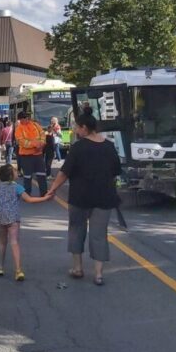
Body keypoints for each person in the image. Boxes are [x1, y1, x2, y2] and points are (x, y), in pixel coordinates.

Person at [46, 111, 121, 285]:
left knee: (76, 229)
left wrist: (53, 189)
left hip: (80, 197)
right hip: (104, 197)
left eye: (76, 127)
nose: (75, 130)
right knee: (99, 234)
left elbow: (64, 172)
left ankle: (78, 268)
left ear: (84, 128)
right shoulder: (109, 146)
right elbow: (116, 171)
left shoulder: (78, 148)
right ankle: (98, 274)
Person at [0, 164, 51, 281]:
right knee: (14, 242)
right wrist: (44, 198)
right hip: (13, 219)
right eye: (15, 171)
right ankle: (18, 270)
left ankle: (0, 266)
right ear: (11, 176)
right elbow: (29, 199)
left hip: (0, 218)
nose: (17, 172)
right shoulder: (17, 187)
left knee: (2, 243)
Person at [14, 111, 48, 196]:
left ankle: (44, 193)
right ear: (20, 119)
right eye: (24, 118)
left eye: (27, 118)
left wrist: (42, 143)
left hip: (38, 155)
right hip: (26, 156)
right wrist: (36, 145)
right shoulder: (19, 129)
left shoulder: (35, 125)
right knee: (27, 176)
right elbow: (22, 142)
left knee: (41, 175)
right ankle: (27, 194)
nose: (27, 119)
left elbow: (43, 134)